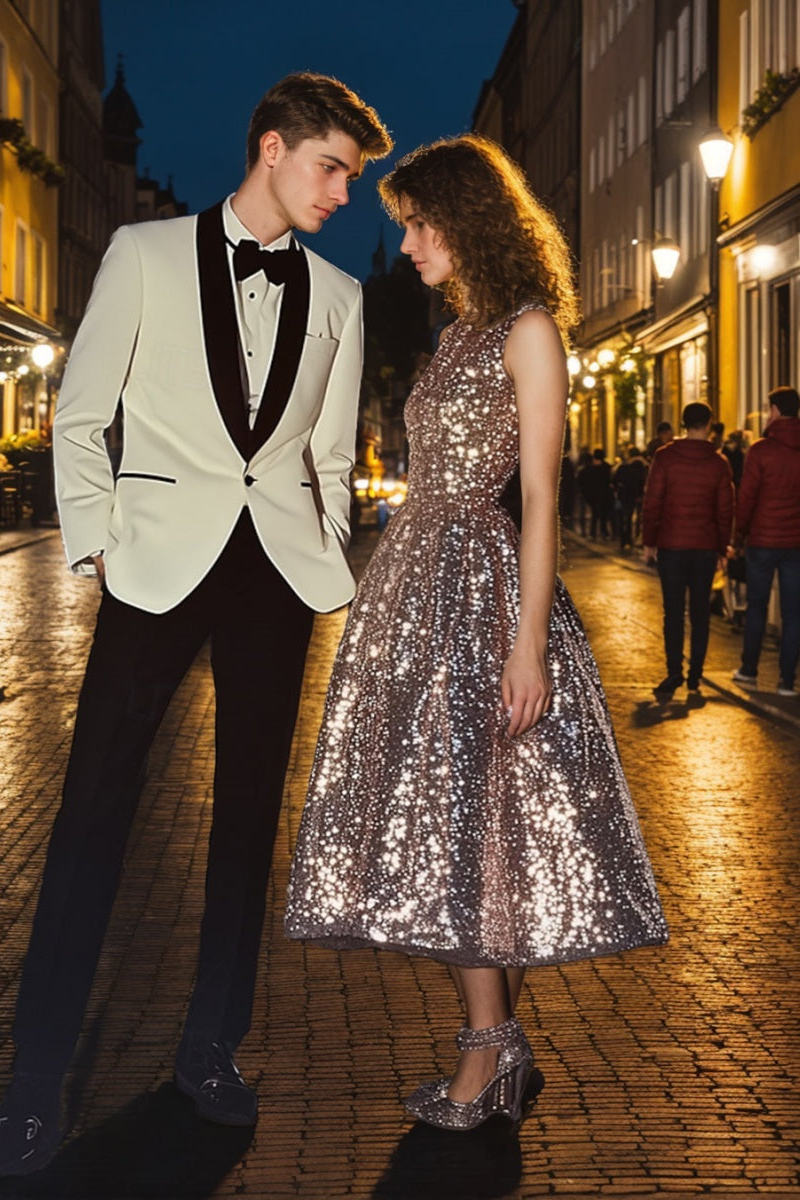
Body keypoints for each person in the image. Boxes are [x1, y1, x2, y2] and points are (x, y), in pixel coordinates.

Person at [0, 72, 392, 1177]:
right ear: (272, 147)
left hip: (278, 582)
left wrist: (324, 547)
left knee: (248, 817)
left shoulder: (344, 299)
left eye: (354, 174)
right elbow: (81, 412)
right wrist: (98, 543)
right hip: (154, 568)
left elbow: (334, 458)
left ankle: (212, 1043)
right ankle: (33, 1080)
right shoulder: (145, 254)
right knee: (91, 815)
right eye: (333, 167)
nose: (346, 193)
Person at [285, 134, 668, 1132]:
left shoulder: (529, 333)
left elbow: (540, 499)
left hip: (482, 596)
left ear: (466, 221)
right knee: (449, 827)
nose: (407, 246)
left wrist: (529, 644)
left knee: (471, 828)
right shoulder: (458, 333)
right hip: (416, 591)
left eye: (417, 225)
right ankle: (496, 1045)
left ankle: (490, 1050)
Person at [641, 402, 734, 697]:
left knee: (673, 612)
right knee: (700, 613)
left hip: (671, 545)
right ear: (708, 424)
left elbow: (652, 502)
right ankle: (696, 675)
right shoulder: (719, 463)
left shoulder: (665, 458)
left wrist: (649, 541)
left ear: (682, 424)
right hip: (705, 547)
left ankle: (673, 673)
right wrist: (722, 547)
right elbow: (725, 510)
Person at [731, 386, 800, 697]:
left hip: (762, 539)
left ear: (773, 411)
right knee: (794, 611)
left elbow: (746, 499)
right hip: (796, 542)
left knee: (757, 605)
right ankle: (787, 680)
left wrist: (739, 535)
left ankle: (749, 670)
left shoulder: (761, 450)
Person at [613, 446, 648, 550]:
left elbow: (615, 480)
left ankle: (626, 540)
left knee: (626, 519)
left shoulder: (623, 467)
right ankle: (638, 538)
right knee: (640, 518)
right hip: (640, 496)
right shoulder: (644, 466)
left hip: (626, 496)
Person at [579, 447, 613, 539]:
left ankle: (592, 533)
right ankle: (604, 532)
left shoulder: (587, 468)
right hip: (604, 494)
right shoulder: (607, 467)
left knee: (595, 514)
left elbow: (581, 480)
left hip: (592, 494)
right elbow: (610, 480)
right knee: (603, 515)